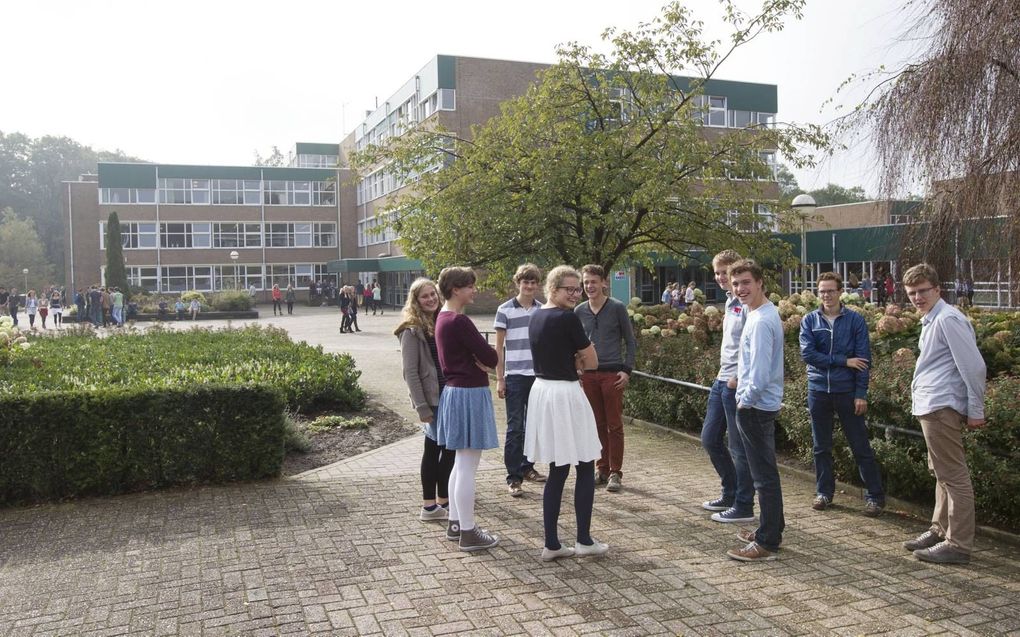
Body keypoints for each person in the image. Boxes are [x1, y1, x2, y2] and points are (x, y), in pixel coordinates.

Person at [902, 263, 986, 565]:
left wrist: (976, 409)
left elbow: (974, 366)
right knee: (941, 473)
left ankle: (958, 544)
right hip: (932, 405)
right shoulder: (932, 319)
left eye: (923, 291)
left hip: (941, 407)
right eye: (911, 293)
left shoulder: (948, 319)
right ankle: (940, 530)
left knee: (953, 476)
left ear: (937, 289)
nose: (917, 297)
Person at [525, 265, 608, 561]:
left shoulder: (535, 315)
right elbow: (594, 361)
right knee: (585, 463)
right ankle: (583, 539)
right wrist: (580, 357)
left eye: (578, 289)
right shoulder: (567, 318)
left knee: (558, 469)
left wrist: (576, 357)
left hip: (543, 391)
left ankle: (552, 543)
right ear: (553, 289)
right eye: (569, 289)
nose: (576, 294)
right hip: (566, 394)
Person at [800, 272, 885, 517]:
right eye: (822, 291)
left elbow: (863, 361)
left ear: (840, 292)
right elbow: (808, 355)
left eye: (831, 290)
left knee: (860, 445)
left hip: (847, 392)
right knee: (821, 446)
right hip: (818, 390)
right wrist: (843, 361)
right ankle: (824, 493)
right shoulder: (810, 321)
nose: (826, 295)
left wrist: (861, 393)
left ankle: (874, 497)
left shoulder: (855, 321)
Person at [434, 267, 500, 552]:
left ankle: (457, 524)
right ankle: (469, 532)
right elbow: (491, 356)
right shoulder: (459, 321)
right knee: (467, 466)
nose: (474, 290)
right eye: (470, 286)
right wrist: (484, 357)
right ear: (456, 289)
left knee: (460, 464)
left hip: (454, 392)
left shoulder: (441, 318)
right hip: (469, 393)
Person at [726, 259, 785, 562]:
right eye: (736, 284)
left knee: (763, 476)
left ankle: (767, 542)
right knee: (765, 473)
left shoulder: (761, 320)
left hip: (755, 407)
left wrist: (744, 399)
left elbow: (760, 372)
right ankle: (771, 528)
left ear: (760, 282)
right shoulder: (760, 312)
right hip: (758, 405)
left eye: (746, 282)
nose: (740, 289)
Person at [700, 250, 756, 524]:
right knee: (710, 439)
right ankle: (730, 491)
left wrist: (738, 379)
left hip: (735, 383)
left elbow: (749, 347)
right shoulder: (729, 303)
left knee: (738, 447)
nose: (721, 278)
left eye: (725, 272)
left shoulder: (746, 304)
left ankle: (744, 504)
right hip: (721, 379)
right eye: (718, 273)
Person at [396, 278, 456, 522]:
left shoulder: (442, 320)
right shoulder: (410, 330)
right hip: (432, 399)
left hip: (450, 395)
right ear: (416, 301)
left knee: (447, 449)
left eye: (433, 294)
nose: (431, 299)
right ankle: (431, 505)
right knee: (435, 449)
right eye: (425, 296)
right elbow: (410, 372)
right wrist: (421, 406)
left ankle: (440, 502)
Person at [575, 264, 637, 493]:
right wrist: (577, 370)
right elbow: (574, 344)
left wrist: (627, 369)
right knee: (595, 424)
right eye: (586, 282)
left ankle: (615, 472)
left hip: (612, 374)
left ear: (604, 283)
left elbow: (630, 341)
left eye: (594, 281)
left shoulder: (617, 308)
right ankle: (601, 468)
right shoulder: (579, 311)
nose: (590, 286)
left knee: (614, 425)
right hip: (589, 376)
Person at [494, 263, 546, 498]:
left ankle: (528, 467)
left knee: (534, 426)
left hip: (538, 376)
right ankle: (513, 477)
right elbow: (498, 348)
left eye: (533, 282)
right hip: (514, 377)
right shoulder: (504, 310)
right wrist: (500, 379)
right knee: (515, 428)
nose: (529, 286)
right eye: (525, 282)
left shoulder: (542, 310)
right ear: (518, 283)